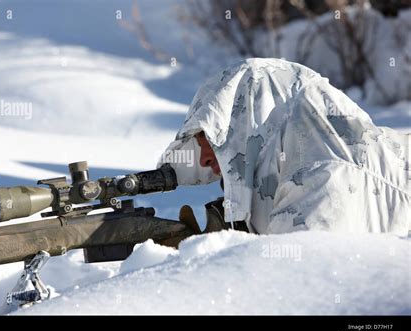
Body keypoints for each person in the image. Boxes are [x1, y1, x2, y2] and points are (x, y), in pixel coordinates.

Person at [157, 58, 410, 235]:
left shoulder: (320, 171)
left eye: (211, 139)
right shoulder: (299, 153)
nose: (202, 161)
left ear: (249, 122)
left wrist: (196, 265)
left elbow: (289, 287)